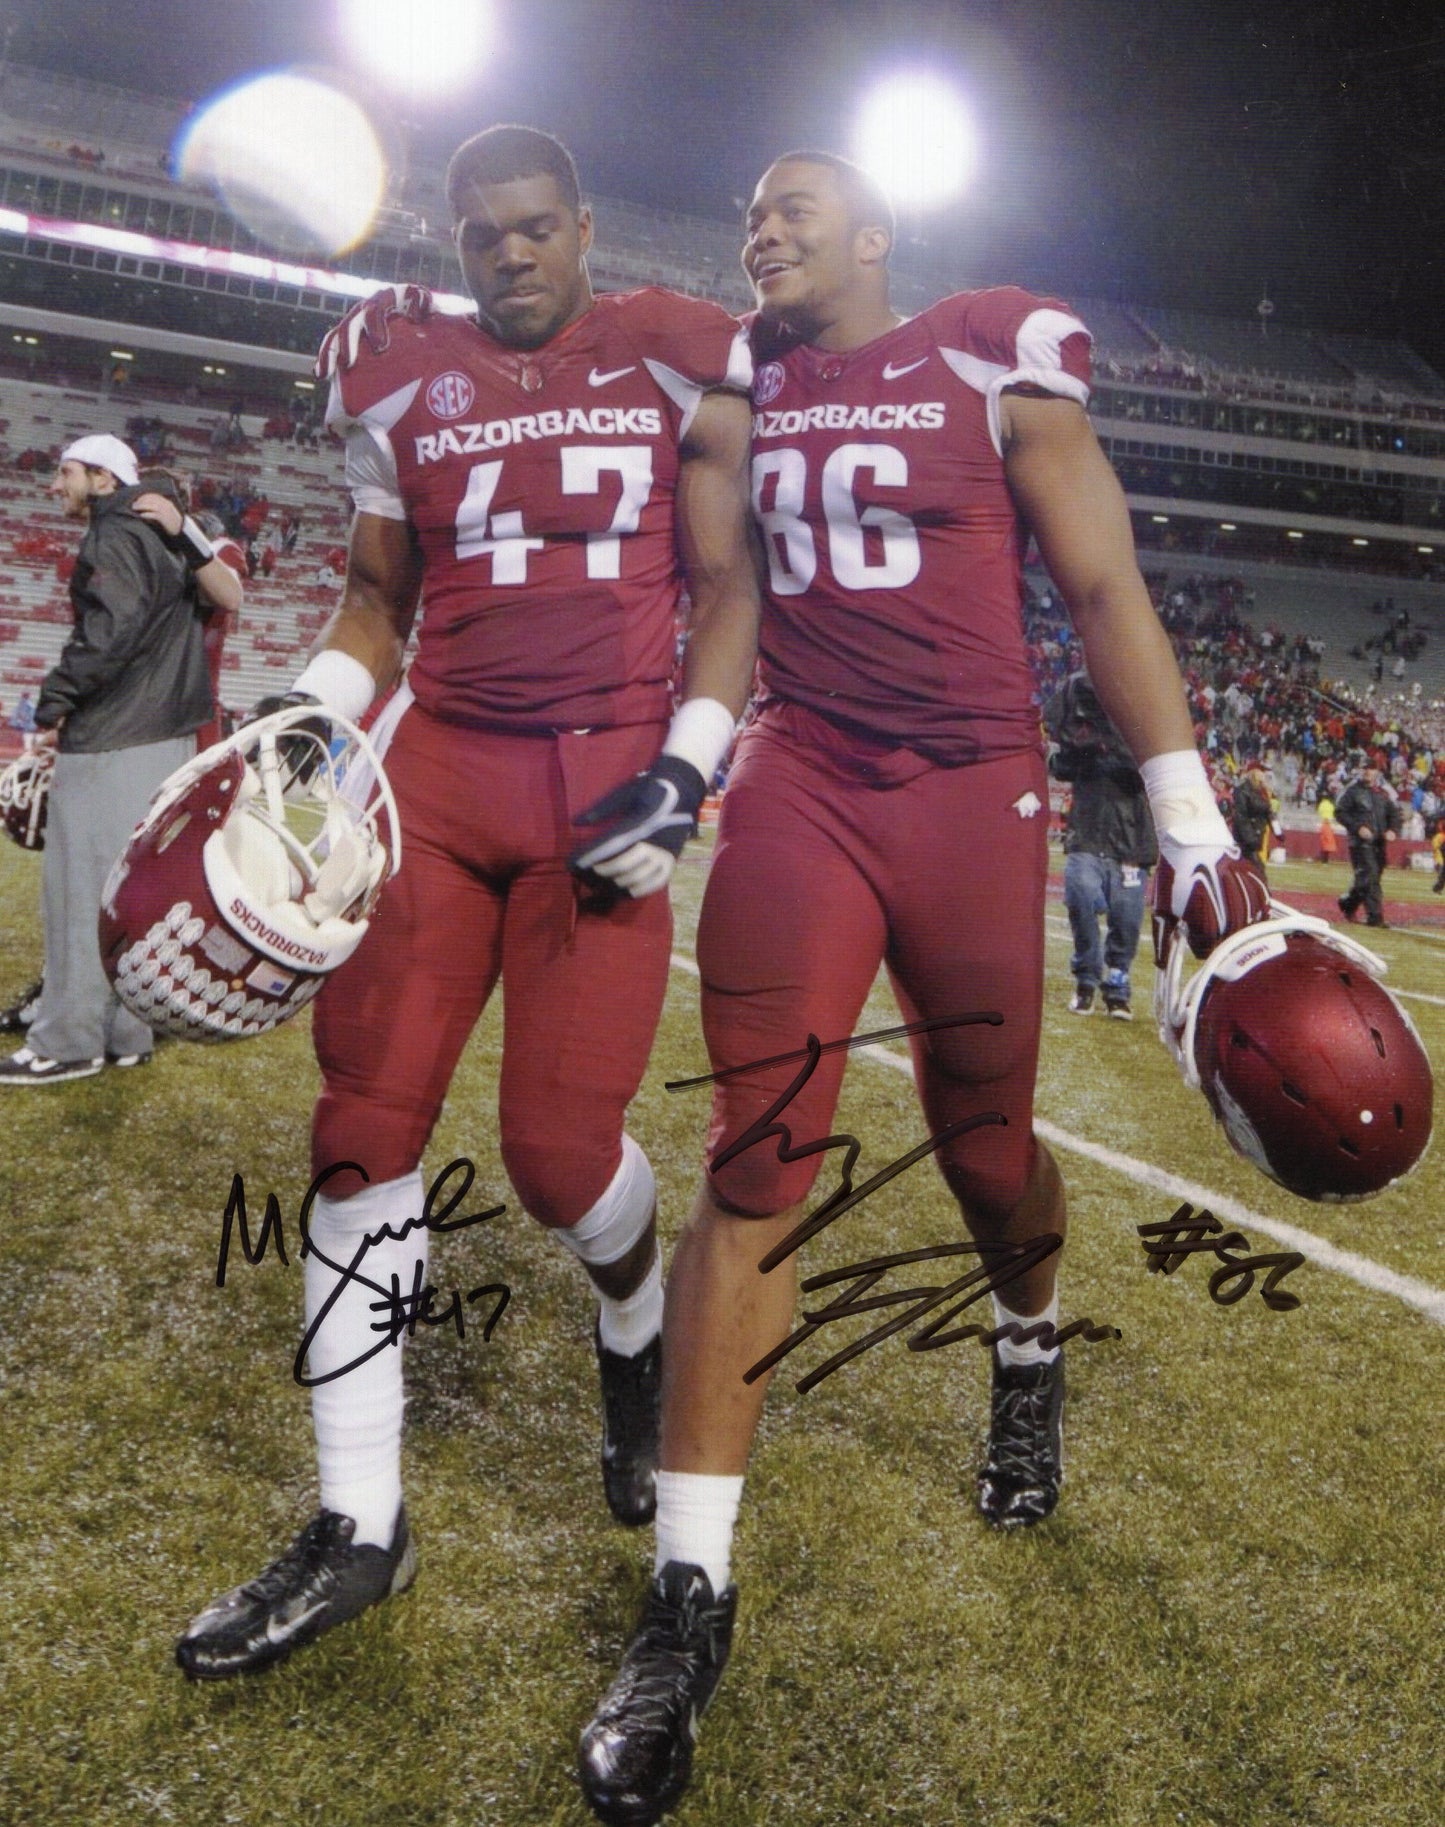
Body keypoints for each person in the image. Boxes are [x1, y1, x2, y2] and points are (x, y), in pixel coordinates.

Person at [577, 150, 1269, 1826]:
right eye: (745, 205)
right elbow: (733, 596)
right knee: (760, 1157)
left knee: (982, 1147)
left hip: (975, 786)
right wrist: (686, 764)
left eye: (795, 201)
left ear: (877, 235)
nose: (762, 222)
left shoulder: (984, 347)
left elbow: (1103, 584)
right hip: (805, 777)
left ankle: (1027, 1351)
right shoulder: (748, 387)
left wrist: (1186, 812)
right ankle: (689, 1597)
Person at [175, 125, 759, 1681]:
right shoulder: (393, 367)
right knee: (360, 1125)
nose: (506, 253)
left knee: (561, 1153)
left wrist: (687, 772)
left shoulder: (667, 351)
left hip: (599, 785)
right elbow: (378, 602)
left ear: (581, 226)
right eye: (478, 232)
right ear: (451, 240)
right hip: (434, 776)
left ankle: (631, 1330)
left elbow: (727, 595)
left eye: (531, 227)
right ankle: (360, 1518)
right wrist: (307, 712)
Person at [0, 434, 213, 1085]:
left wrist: (55, 702)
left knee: (79, 890)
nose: (54, 485)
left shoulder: (114, 530)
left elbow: (109, 627)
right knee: (127, 895)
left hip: (116, 733)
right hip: (165, 734)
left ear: (100, 476)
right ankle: (126, 1031)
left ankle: (67, 1039)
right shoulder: (166, 532)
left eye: (64, 472)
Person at [1043, 670, 1157, 1019]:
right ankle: (1086, 982)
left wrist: (1109, 744)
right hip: (1088, 834)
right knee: (1079, 898)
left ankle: (1118, 988)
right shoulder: (1083, 740)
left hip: (1129, 841)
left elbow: (1145, 771)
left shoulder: (1141, 737)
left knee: (1126, 918)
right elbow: (1059, 765)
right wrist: (1084, 747)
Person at [1336, 763, 1395, 927]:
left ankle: (1349, 903)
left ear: (1377, 772)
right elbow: (1340, 813)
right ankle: (1375, 917)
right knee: (1370, 876)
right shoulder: (1353, 792)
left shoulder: (1382, 794)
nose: (1368, 771)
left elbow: (1394, 814)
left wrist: (1392, 829)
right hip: (1360, 843)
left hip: (1379, 844)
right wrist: (1357, 827)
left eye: (1372, 768)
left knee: (1368, 878)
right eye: (1366, 768)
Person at [1229, 763, 1274, 866]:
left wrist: (1277, 830)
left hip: (1256, 835)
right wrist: (1250, 838)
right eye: (1261, 773)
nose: (1264, 775)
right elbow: (1241, 817)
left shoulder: (1262, 792)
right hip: (1245, 839)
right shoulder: (1242, 791)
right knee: (1255, 868)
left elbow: (1268, 812)